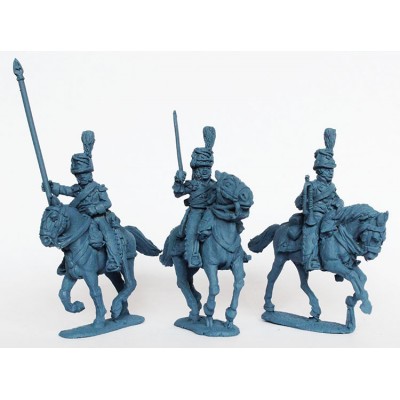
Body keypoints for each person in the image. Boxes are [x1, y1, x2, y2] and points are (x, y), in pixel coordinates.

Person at [46, 131, 124, 274]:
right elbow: (65, 190)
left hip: (98, 217)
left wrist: (94, 209)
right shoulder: (77, 189)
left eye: (85, 174)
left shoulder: (98, 188)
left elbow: (107, 203)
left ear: (90, 173)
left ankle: (114, 259)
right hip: (82, 219)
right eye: (79, 175)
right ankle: (67, 262)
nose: (82, 178)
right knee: (70, 236)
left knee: (107, 234)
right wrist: (52, 187)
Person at [294, 128, 344, 271]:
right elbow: (298, 203)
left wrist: (339, 203)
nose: (330, 173)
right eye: (327, 170)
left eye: (331, 170)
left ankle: (343, 259)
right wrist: (306, 198)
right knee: (312, 231)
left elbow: (337, 199)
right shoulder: (312, 186)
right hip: (316, 215)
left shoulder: (332, 187)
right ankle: (310, 260)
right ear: (320, 170)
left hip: (331, 215)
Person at [173, 126, 216, 268]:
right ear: (196, 170)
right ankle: (192, 255)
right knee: (192, 232)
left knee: (231, 226)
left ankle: (236, 251)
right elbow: (178, 193)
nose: (205, 172)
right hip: (196, 212)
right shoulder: (192, 185)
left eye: (207, 169)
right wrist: (178, 181)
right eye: (202, 169)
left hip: (211, 212)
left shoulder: (214, 184)